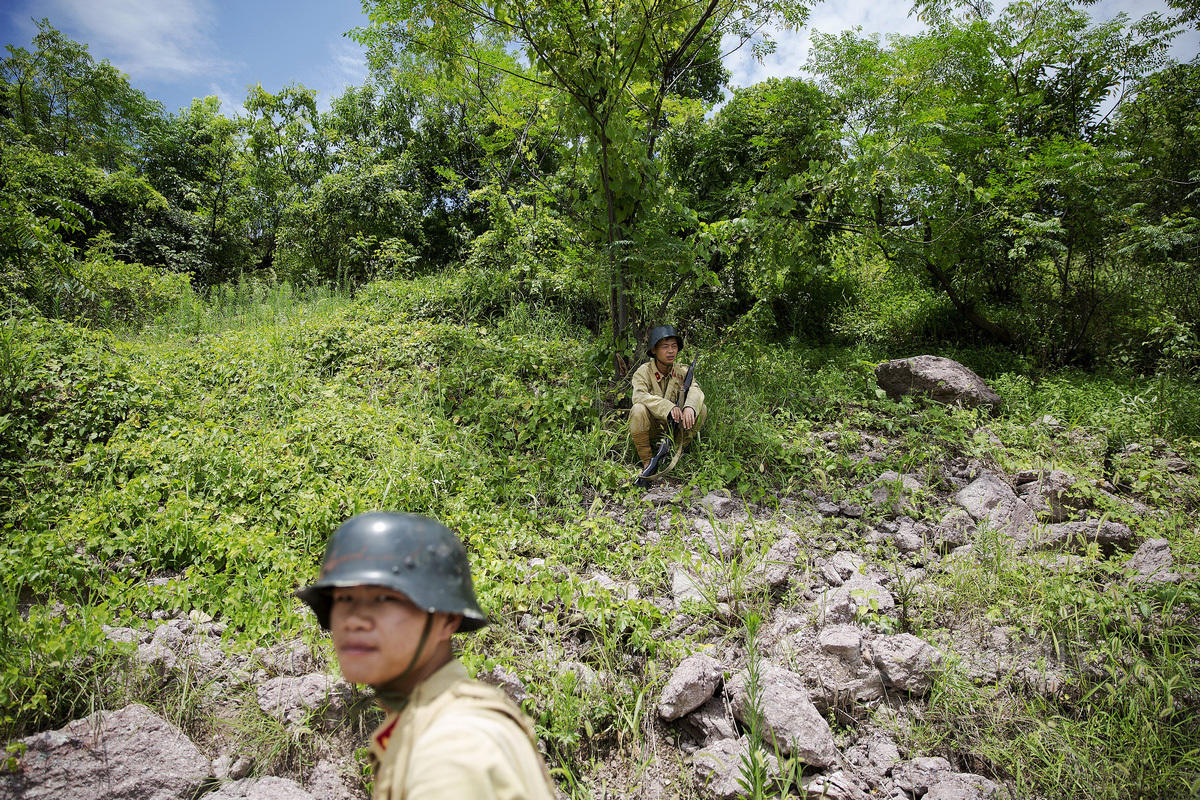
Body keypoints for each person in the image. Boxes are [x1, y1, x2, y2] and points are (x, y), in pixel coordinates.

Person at [296, 511, 557, 800]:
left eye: (384, 598)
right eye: (344, 599)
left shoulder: (449, 748)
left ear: (446, 620)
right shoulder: (431, 723)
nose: (354, 620)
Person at [629, 325, 707, 470]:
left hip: (675, 427)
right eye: (665, 347)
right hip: (652, 426)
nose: (671, 351)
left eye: (674, 346)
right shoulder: (643, 372)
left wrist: (689, 406)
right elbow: (639, 396)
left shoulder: (682, 371)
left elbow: (695, 390)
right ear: (654, 350)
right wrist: (667, 406)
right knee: (638, 409)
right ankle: (647, 463)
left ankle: (676, 451)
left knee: (701, 408)